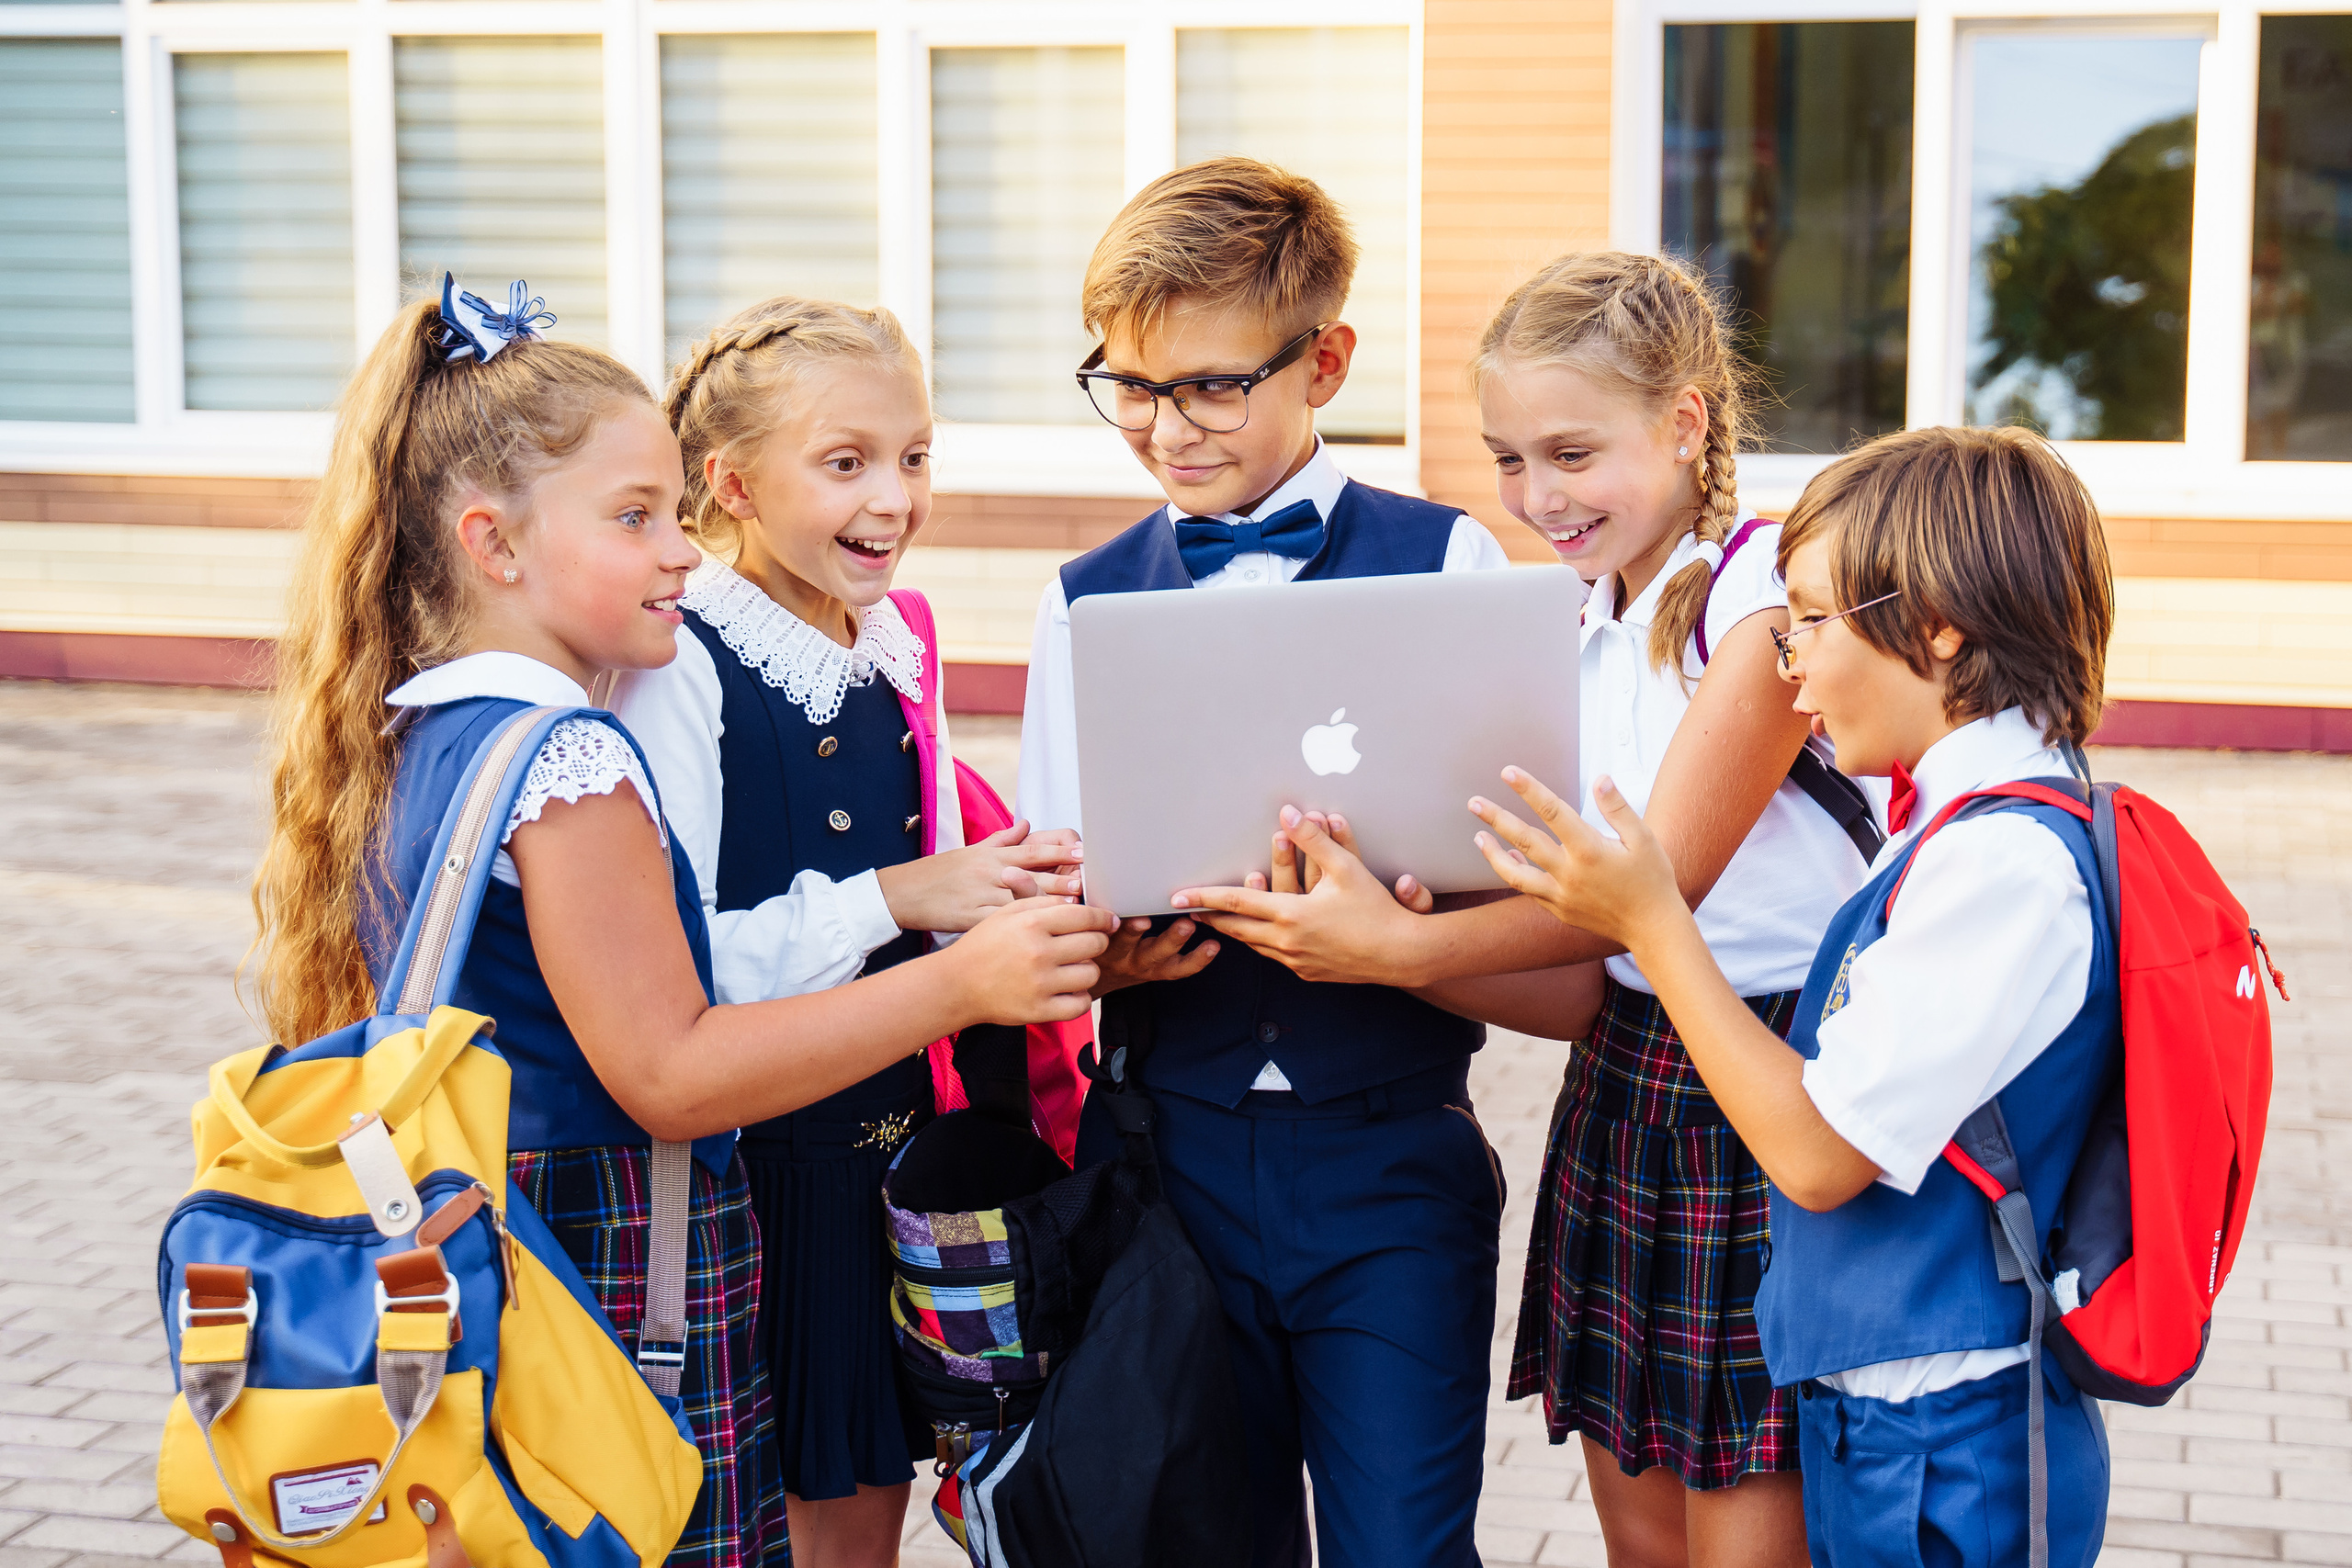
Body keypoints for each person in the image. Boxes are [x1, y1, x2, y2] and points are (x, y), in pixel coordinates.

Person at [248, 286, 1114, 1568]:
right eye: (637, 516)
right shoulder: (573, 757)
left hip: (497, 1220)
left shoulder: (425, 726)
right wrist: (958, 982)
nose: (681, 551)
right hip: (604, 1236)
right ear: (493, 544)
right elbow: (670, 1068)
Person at [1180, 253, 1882, 1568]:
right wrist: (1352, 941)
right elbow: (1577, 992)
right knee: (1644, 1543)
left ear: (1684, 422)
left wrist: (1403, 942)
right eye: (1509, 459)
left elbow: (1639, 898)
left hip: (1764, 1082)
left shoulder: (1759, 599)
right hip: (1628, 1089)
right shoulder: (1569, 620)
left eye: (1571, 451)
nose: (1538, 497)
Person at [1466, 424, 2119, 1568]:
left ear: (1936, 627)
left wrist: (1651, 917)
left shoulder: (1999, 863)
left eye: (1812, 620)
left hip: (1944, 1438)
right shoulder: (1954, 827)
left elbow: (1819, 1156)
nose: (1790, 663)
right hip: (1898, 1411)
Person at [1012, 155, 1514, 1568]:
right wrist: (1096, 945)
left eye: (1213, 386)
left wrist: (1414, 916)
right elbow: (1063, 869)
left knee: (1404, 1548)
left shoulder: (1451, 561)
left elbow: (1531, 867)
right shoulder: (1081, 602)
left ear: (1327, 360)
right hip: (1169, 1160)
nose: (1166, 428)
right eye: (1130, 386)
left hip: (1391, 1151)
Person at [609, 296, 1082, 1568]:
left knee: (867, 1513)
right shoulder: (681, 666)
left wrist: (1003, 889)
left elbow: (924, 873)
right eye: (846, 462)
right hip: (764, 1169)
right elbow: (685, 958)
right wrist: (906, 893)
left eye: (916, 455)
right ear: (734, 485)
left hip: (894, 1149)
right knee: (793, 1522)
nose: (895, 495)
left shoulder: (891, 641)